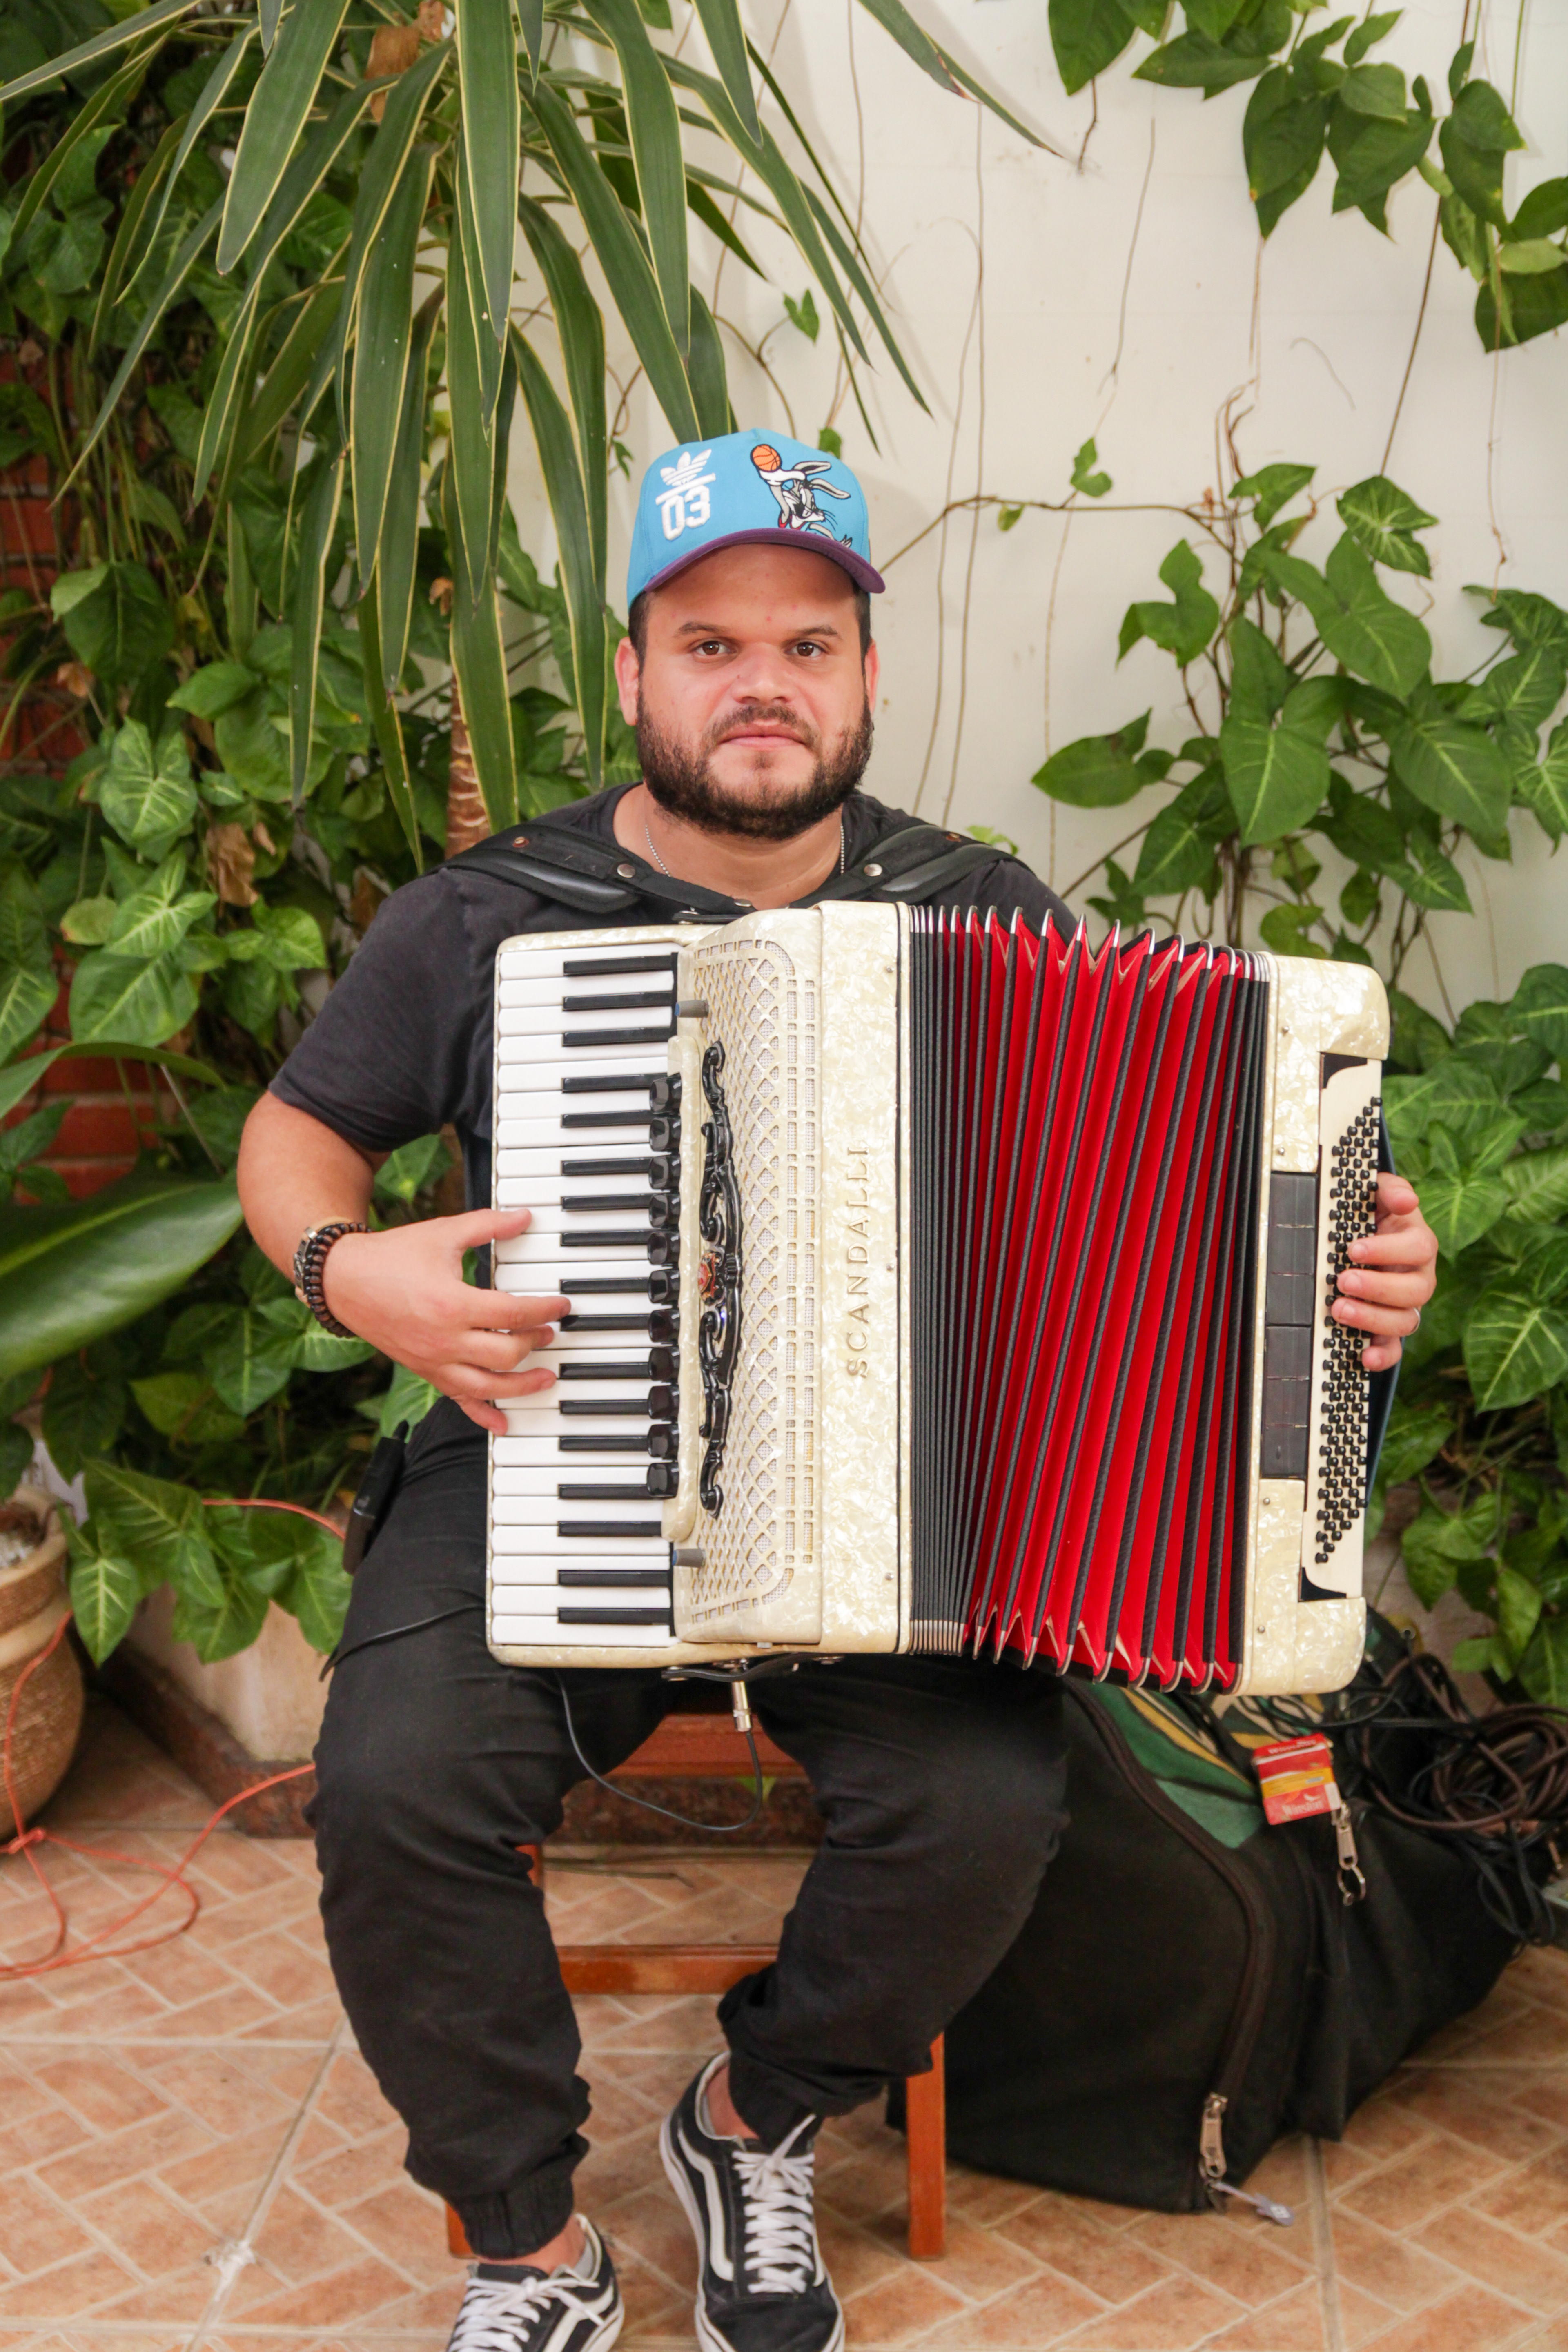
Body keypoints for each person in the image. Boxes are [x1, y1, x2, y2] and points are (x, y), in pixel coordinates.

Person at [236, 428, 1438, 2352]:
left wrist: (1360, 1264)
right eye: (710, 642)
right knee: (391, 1787)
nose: (762, 682)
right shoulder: (488, 914)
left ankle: (755, 2114)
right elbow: (298, 1135)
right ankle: (529, 2245)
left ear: (869, 677)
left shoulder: (983, 911)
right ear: (634, 674)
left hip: (905, 1507)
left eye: (809, 642)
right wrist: (345, 1263)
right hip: (550, 1450)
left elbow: (1175, 1222)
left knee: (985, 1808)